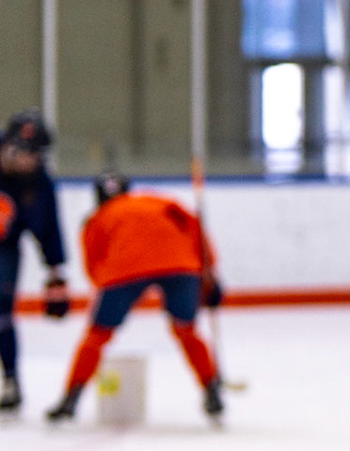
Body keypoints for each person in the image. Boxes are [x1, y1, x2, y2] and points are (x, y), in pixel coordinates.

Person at [46, 174, 225, 423]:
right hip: (180, 264)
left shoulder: (98, 217)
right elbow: (196, 230)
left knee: (97, 336)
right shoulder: (159, 201)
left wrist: (110, 300)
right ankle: (212, 389)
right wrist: (209, 274)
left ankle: (70, 398)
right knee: (186, 329)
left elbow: (94, 265)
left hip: (123, 270)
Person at [0, 110, 72, 412]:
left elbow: (48, 227)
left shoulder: (38, 182)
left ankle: (11, 380)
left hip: (5, 248)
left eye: (37, 155)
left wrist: (56, 274)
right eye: (26, 153)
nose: (32, 161)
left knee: (2, 312)